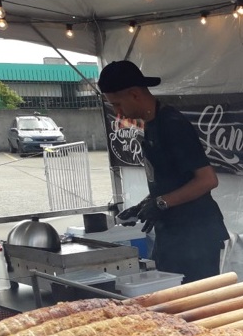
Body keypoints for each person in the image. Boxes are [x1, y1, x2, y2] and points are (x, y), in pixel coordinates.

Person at [98, 60, 229, 284]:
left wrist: (161, 203)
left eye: (118, 105)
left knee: (195, 305)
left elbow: (207, 180)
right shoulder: (149, 125)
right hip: (172, 234)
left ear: (135, 94)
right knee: (168, 298)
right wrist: (145, 204)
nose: (117, 113)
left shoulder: (172, 124)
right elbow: (173, 181)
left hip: (196, 236)